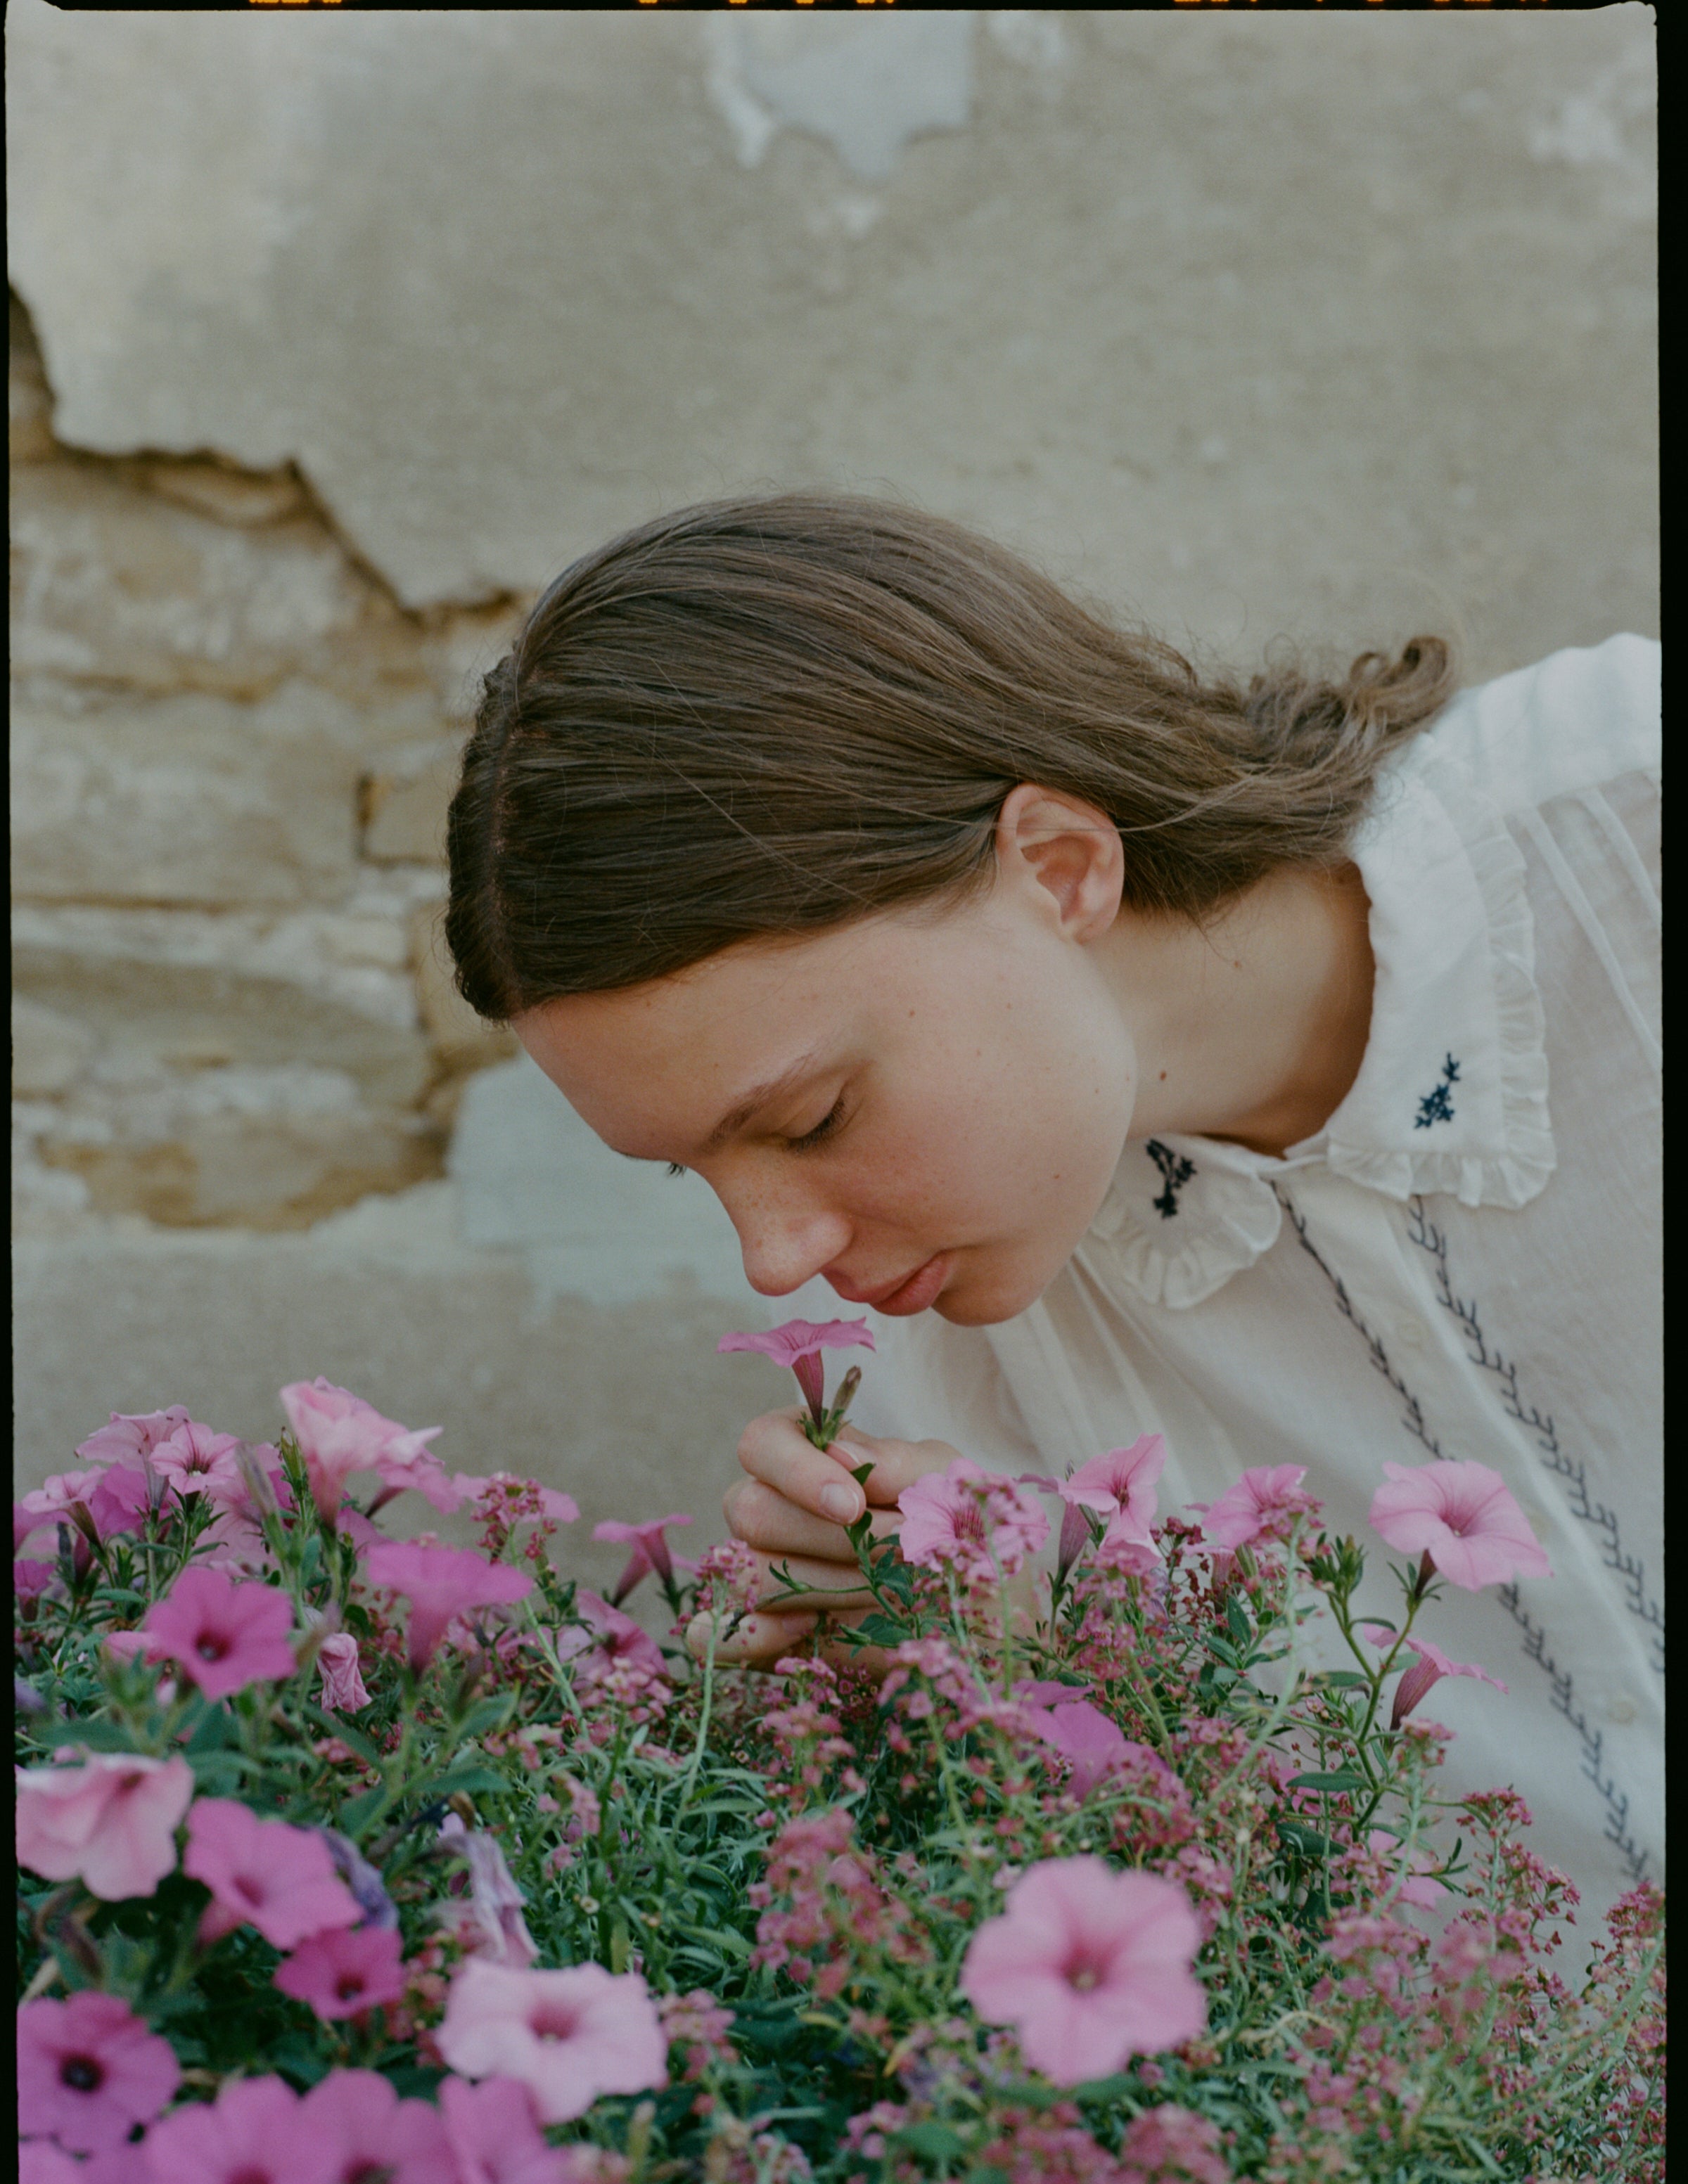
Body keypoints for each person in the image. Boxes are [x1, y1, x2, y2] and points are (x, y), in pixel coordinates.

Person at [445, 492, 1660, 1943]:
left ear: (1062, 868)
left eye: (815, 1118)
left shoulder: (1628, 824)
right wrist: (1021, 1653)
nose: (776, 1256)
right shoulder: (930, 1373)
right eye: (689, 1172)